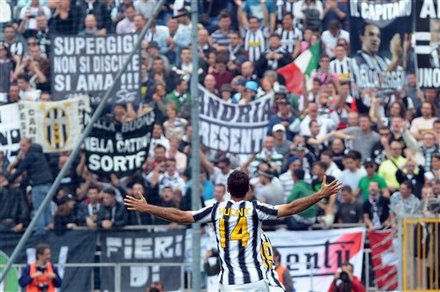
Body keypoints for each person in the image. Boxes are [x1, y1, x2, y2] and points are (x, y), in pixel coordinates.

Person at [124, 170, 341, 291]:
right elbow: (292, 207)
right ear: (248, 190)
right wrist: (320, 195)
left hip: (229, 284)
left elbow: (180, 216)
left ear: (227, 190)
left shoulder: (216, 210)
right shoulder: (255, 209)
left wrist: (147, 207)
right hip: (256, 281)